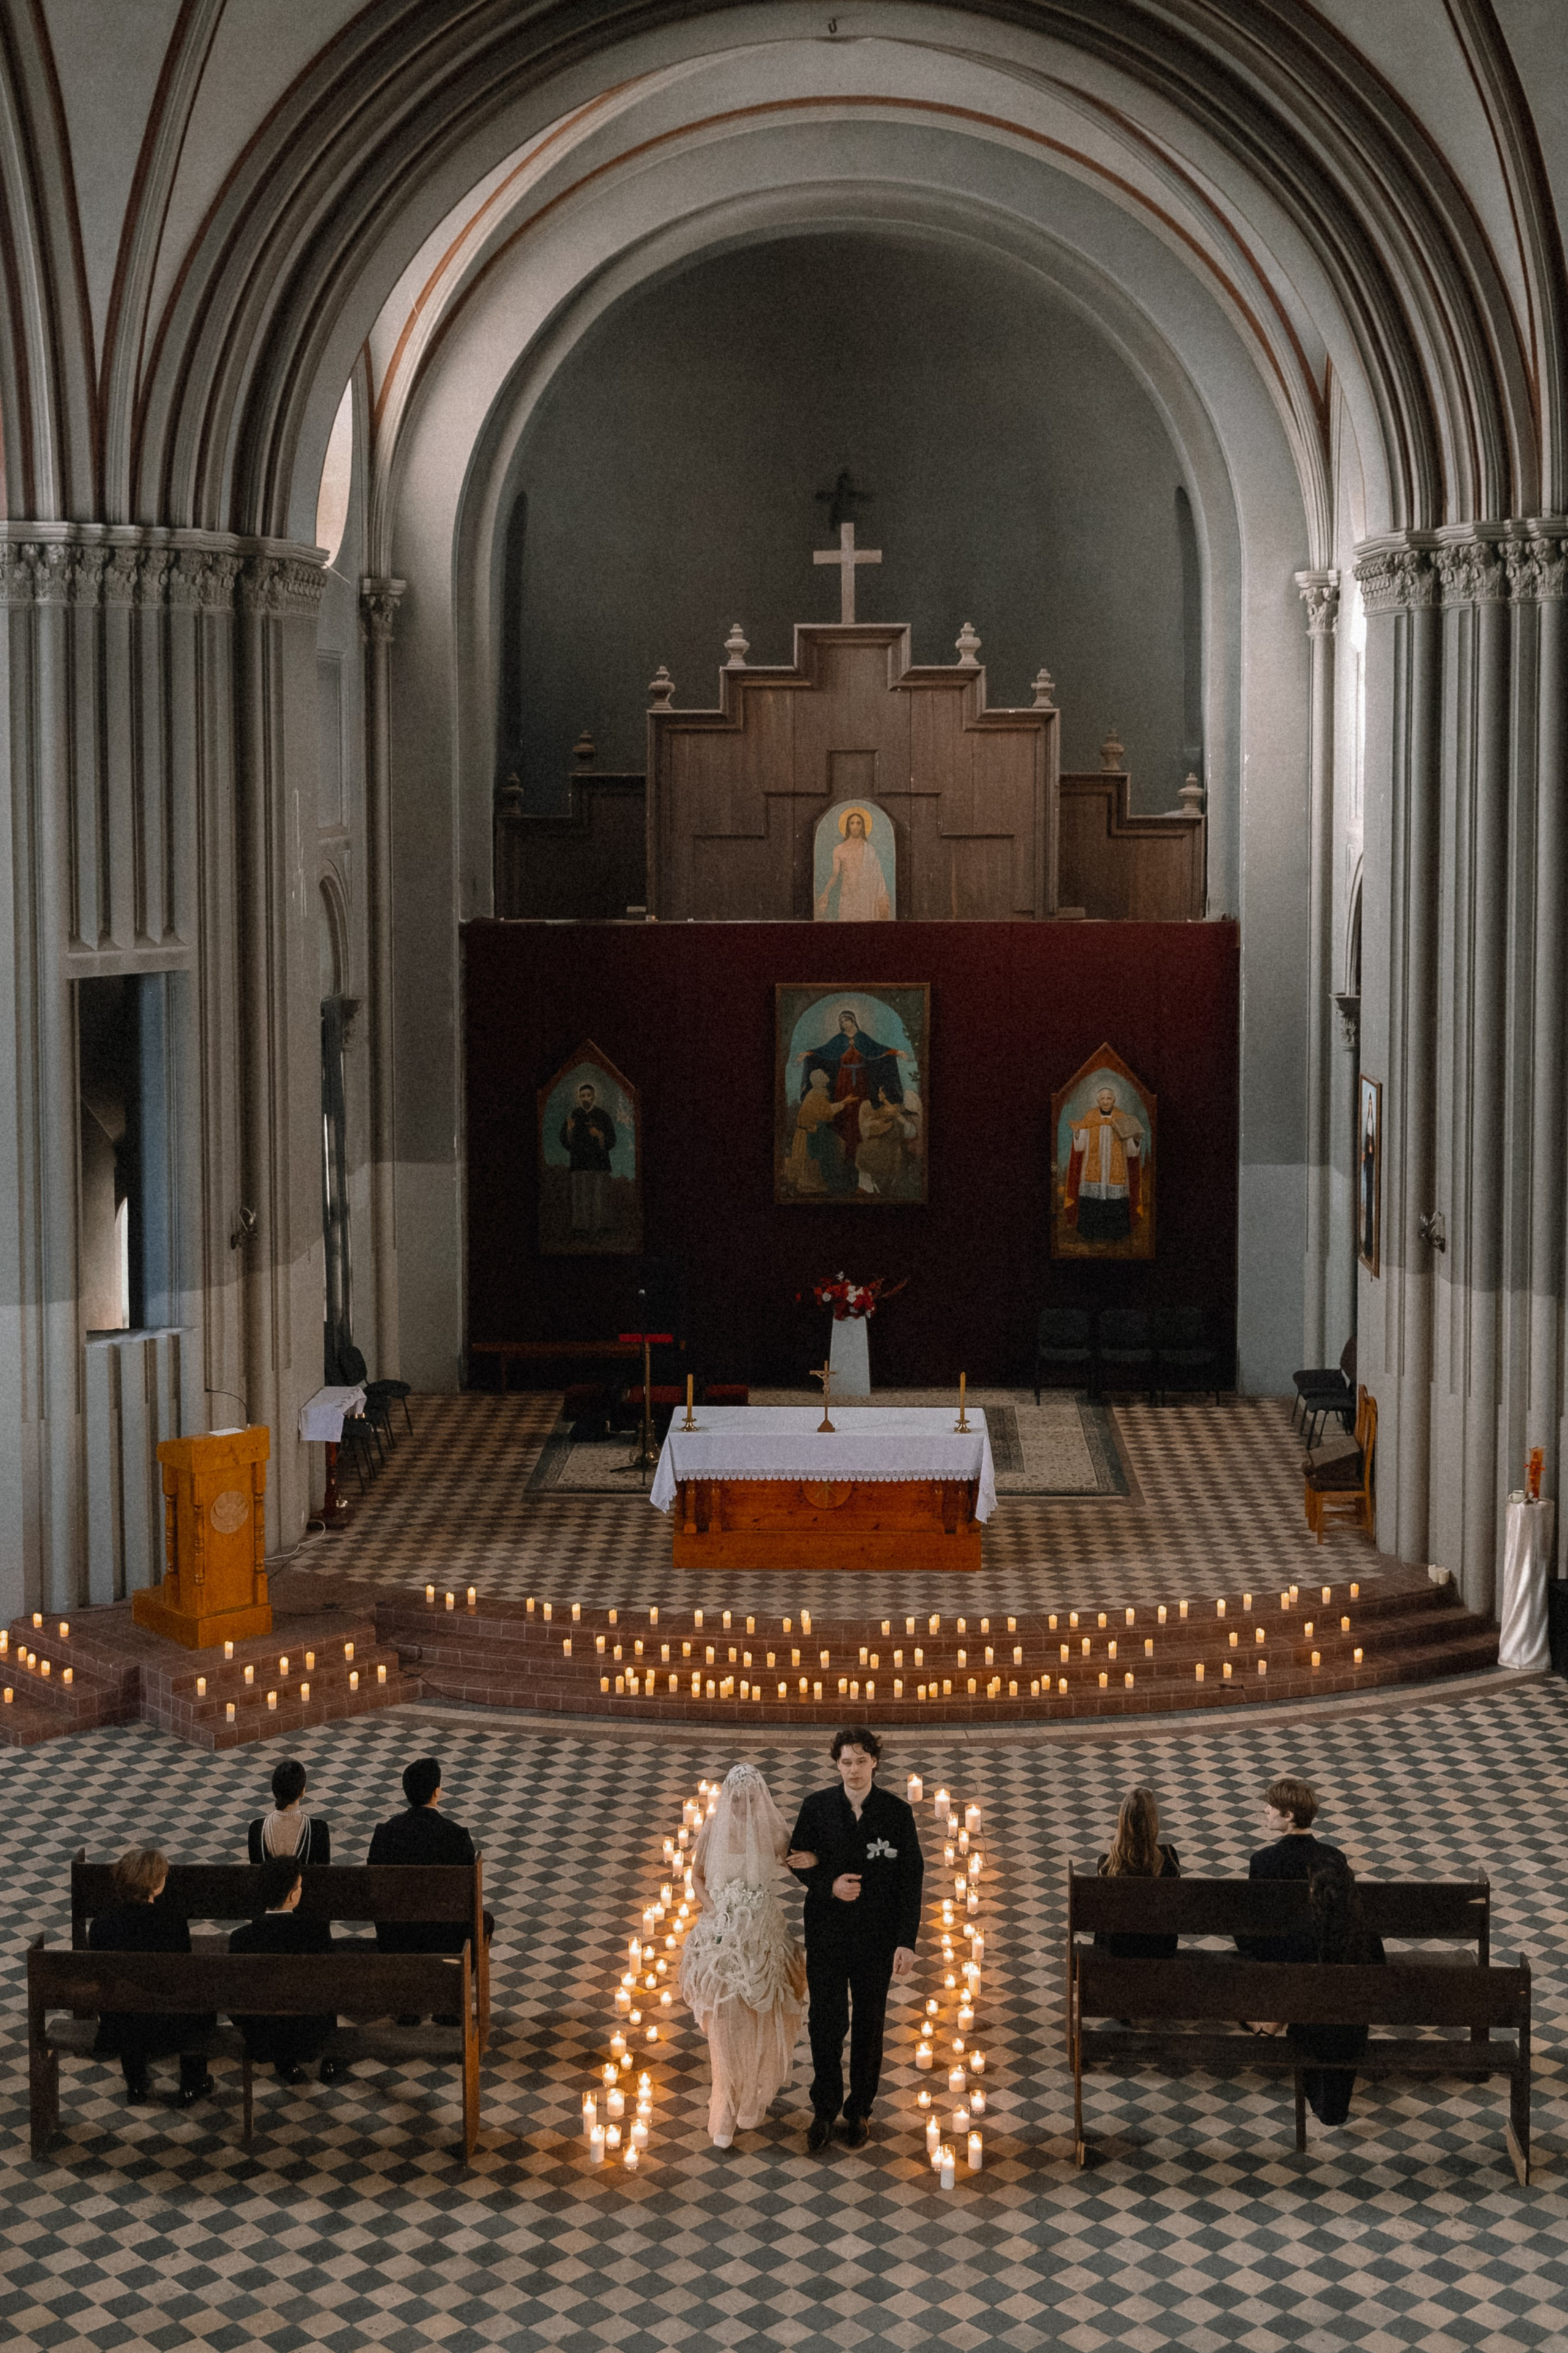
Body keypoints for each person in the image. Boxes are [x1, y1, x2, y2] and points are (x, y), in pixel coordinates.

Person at [788, 1728, 922, 2151]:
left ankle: (859, 2109)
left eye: (861, 1760)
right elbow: (797, 1859)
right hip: (827, 1934)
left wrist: (906, 1941)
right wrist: (829, 1884)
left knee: (869, 2023)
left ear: (875, 1762)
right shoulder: (817, 1807)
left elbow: (910, 1879)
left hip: (875, 1938)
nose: (854, 1769)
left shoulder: (896, 1813)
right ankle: (824, 2108)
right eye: (846, 1762)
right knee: (825, 2023)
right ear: (836, 1764)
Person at [677, 1764, 807, 2148]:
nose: (742, 1806)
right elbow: (697, 1876)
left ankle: (751, 2096)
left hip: (762, 1939)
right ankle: (723, 2106)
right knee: (723, 2018)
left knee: (761, 2019)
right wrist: (712, 1908)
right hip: (720, 1938)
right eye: (736, 1799)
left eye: (750, 1799)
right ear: (727, 1799)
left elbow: (797, 1863)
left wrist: (816, 1864)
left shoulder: (771, 1830)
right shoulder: (714, 1829)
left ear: (759, 1800)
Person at [87, 1848, 215, 2108]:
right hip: (169, 2025)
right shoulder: (173, 1923)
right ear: (156, 1885)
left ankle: (136, 2082)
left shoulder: (101, 1924)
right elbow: (183, 1974)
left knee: (125, 2000)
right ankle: (192, 2082)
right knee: (201, 2003)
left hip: (119, 2024)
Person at [366, 1758, 487, 2023]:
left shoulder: (386, 1834)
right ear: (437, 1791)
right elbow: (468, 1897)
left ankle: (408, 2005)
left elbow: (373, 1886)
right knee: (483, 1920)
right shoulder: (456, 1836)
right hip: (444, 1938)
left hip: (397, 1937)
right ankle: (448, 2004)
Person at [1286, 1851, 1385, 2126]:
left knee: (1315, 2025)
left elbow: (1289, 1990)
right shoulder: (1367, 1937)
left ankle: (1324, 2105)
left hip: (1309, 2032)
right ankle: (1333, 2107)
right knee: (1340, 2029)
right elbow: (1380, 1987)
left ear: (1313, 1894)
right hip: (1352, 2033)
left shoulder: (1304, 1937)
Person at [229, 1856, 349, 2083]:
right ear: (294, 1895)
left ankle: (285, 2064)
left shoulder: (241, 1938)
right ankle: (331, 2058)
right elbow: (331, 1984)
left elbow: (235, 1996)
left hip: (262, 2036)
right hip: (311, 2033)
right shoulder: (316, 1931)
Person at [1240, 1775, 1345, 1962]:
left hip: (1277, 1951)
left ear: (1289, 1816)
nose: (1266, 1810)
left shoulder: (1264, 1860)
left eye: (1272, 1807)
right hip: (1323, 1950)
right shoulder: (1334, 1856)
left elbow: (1254, 1914)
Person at [1095, 1786, 1181, 1958]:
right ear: (1153, 1823)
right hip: (1162, 1950)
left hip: (1118, 1952)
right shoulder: (1169, 1859)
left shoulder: (1106, 1866)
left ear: (1122, 1822)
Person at [1065, 1082, 1145, 1245]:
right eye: (1103, 1099)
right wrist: (1078, 1134)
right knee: (1092, 1204)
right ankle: (1090, 1233)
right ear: (1098, 1101)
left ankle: (1116, 1235)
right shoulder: (1090, 1117)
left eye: (1109, 1098)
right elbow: (1080, 1147)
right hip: (1092, 1172)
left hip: (1116, 1174)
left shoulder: (1123, 1119)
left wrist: (1136, 1140)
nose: (1106, 1102)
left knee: (1115, 1205)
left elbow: (1131, 1152)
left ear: (1114, 1100)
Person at [247, 1756, 331, 1864]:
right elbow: (324, 1874)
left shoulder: (256, 1828)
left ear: (274, 1790)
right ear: (302, 1792)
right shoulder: (319, 1829)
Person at [816, 806, 891, 922]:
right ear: (848, 826)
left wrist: (882, 898)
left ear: (863, 826)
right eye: (852, 823)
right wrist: (826, 893)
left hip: (866, 895)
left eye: (858, 823)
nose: (855, 826)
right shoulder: (839, 849)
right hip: (848, 894)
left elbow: (878, 877)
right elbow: (835, 874)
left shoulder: (869, 849)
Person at [560, 1079, 616, 1232]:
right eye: (582, 1096)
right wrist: (570, 1130)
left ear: (594, 1097)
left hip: (599, 1164)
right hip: (579, 1164)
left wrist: (599, 1135)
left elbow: (612, 1140)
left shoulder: (603, 1116)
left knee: (598, 1197)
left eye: (588, 1095)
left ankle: (599, 1229)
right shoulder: (575, 1115)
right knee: (580, 1197)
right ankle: (581, 1228)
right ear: (579, 1098)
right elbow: (564, 1140)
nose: (585, 1099)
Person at [785, 1068, 846, 1195]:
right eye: (823, 1075)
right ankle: (810, 1186)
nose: (826, 1076)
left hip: (811, 1131)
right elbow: (825, 1113)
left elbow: (825, 1110)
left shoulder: (818, 1093)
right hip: (807, 1134)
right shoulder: (815, 1094)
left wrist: (843, 1103)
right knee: (810, 1162)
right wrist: (844, 1104)